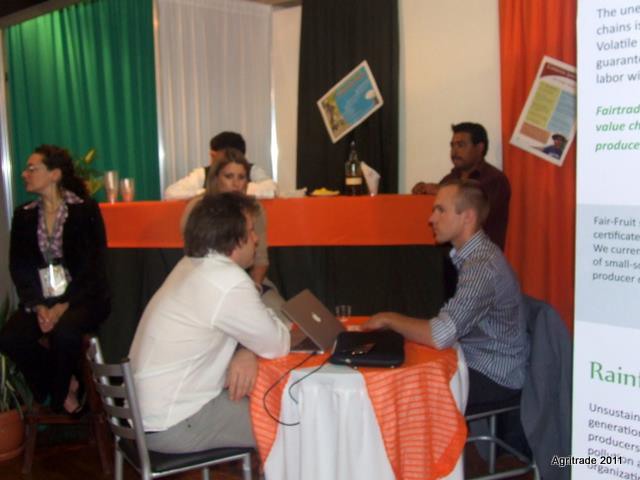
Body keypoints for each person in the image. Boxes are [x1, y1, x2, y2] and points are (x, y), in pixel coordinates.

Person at [129, 192, 290, 453]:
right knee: (292, 419)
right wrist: (251, 346)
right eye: (251, 231)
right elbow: (277, 344)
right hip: (175, 422)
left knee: (264, 403)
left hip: (144, 417)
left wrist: (246, 350)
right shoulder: (228, 281)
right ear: (234, 239)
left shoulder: (190, 265)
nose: (257, 239)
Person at [364, 180, 528, 412]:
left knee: (406, 393)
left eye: (441, 210)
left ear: (468, 217)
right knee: (407, 370)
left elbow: (441, 335)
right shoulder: (473, 257)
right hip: (474, 358)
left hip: (494, 374)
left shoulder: (482, 266)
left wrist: (389, 319)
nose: (431, 218)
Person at [0, 145, 110, 415]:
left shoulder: (84, 210)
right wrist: (39, 306)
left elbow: (93, 268)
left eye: (32, 168)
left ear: (55, 174)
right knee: (10, 338)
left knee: (65, 332)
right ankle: (63, 385)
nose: (25, 174)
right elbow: (20, 268)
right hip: (42, 301)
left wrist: (62, 306)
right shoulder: (24, 215)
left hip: (81, 298)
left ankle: (58, 396)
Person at [180, 148, 270, 289]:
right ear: (216, 178)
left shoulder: (254, 208)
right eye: (229, 176)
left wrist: (254, 289)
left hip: (247, 280)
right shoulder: (197, 208)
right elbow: (193, 257)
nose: (236, 184)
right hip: (204, 280)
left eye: (241, 177)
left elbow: (260, 259)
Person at [412, 122, 510, 250]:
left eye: (461, 145)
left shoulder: (494, 179)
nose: (454, 151)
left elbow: (474, 214)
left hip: (480, 256)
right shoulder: (450, 179)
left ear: (479, 148)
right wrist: (422, 193)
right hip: (448, 256)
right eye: (452, 145)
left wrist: (442, 192)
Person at [164, 131, 271, 199]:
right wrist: (212, 192)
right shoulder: (202, 173)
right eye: (228, 176)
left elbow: (271, 189)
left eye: (241, 177)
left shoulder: (252, 170)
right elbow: (171, 193)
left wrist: (237, 190)